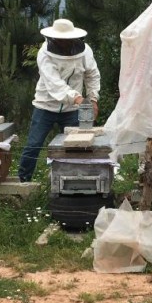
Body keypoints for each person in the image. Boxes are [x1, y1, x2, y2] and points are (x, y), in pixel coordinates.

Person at [17, 19, 100, 182]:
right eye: (60, 39)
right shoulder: (44, 54)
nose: (64, 42)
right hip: (45, 106)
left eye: (67, 39)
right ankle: (23, 182)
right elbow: (55, 85)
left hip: (72, 111)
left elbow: (92, 75)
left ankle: (75, 180)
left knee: (77, 146)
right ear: (53, 38)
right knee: (33, 145)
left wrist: (93, 99)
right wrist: (78, 98)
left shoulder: (85, 51)